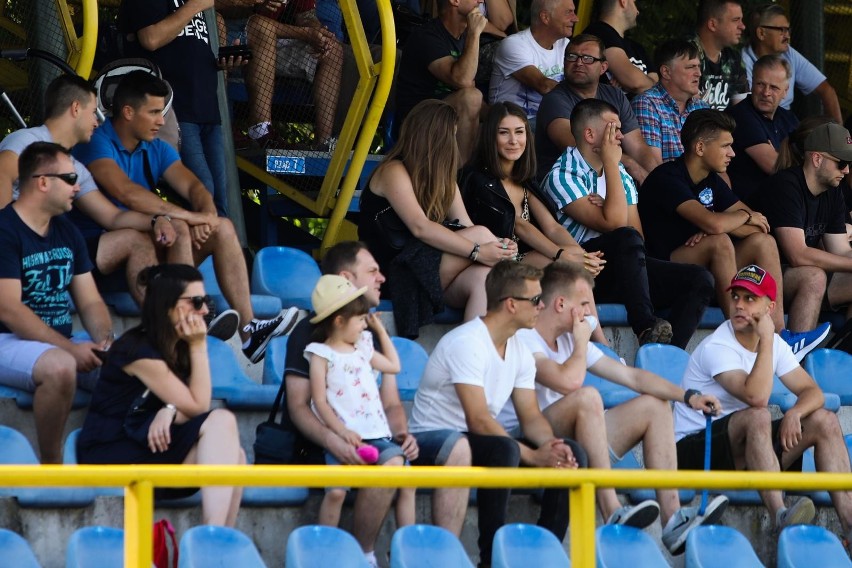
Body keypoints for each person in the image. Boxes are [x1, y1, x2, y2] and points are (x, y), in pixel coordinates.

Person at [73, 70, 298, 363]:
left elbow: (194, 186)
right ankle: (186, 317)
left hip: (149, 248)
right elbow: (126, 192)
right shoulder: (97, 141)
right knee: (178, 224)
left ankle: (249, 330)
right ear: (128, 112)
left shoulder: (157, 148)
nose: (162, 121)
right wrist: (189, 218)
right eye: (154, 112)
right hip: (100, 254)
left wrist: (206, 215)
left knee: (223, 227)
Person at [518, 262, 728, 556]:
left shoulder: (570, 338)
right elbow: (569, 382)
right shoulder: (525, 337)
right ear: (560, 303)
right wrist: (581, 342)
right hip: (532, 442)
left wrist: (688, 396)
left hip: (576, 439)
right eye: (583, 304)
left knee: (655, 406)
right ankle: (611, 509)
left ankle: (673, 520)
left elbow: (633, 377)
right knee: (588, 396)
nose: (590, 314)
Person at [284, 241, 471, 562]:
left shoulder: (369, 332)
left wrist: (403, 435)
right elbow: (300, 407)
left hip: (378, 436)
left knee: (457, 447)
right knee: (393, 464)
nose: (382, 278)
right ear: (346, 277)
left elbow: (392, 404)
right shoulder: (311, 333)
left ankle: (439, 556)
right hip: (328, 439)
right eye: (372, 271)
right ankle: (362, 554)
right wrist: (335, 439)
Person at [409, 261, 587, 566]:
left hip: (478, 441)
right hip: (434, 439)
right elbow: (477, 419)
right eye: (534, 300)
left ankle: (540, 556)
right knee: (504, 448)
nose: (541, 306)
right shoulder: (468, 342)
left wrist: (550, 447)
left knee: (572, 453)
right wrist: (532, 457)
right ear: (510, 305)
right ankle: (491, 559)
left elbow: (530, 416)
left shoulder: (518, 347)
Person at [674, 265, 852, 541]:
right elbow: (756, 398)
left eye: (750, 299)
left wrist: (795, 412)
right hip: (695, 449)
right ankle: (781, 514)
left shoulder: (774, 345)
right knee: (758, 415)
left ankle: (850, 522)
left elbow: (812, 391)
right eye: (735, 297)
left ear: (770, 307)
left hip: (744, 450)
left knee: (824, 420)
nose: (739, 306)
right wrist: (768, 338)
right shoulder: (717, 346)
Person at [639, 109, 831, 361]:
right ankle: (741, 335)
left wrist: (725, 223)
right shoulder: (667, 177)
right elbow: (717, 223)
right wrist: (727, 222)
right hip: (664, 270)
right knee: (718, 241)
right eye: (726, 146)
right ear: (699, 148)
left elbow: (760, 224)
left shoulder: (712, 181)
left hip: (703, 263)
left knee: (763, 241)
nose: (733, 153)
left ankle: (779, 335)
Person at [77, 264, 244, 526]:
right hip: (111, 453)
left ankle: (220, 543)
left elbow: (184, 405)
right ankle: (212, 537)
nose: (204, 311)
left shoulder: (176, 346)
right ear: (168, 305)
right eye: (196, 302)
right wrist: (199, 345)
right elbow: (199, 406)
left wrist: (169, 410)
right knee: (221, 420)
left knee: (236, 455)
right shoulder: (137, 351)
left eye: (207, 302)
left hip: (147, 442)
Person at [542, 99, 716, 349]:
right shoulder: (562, 174)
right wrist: (612, 165)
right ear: (590, 134)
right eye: (613, 128)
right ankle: (645, 325)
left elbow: (638, 236)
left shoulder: (620, 175)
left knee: (700, 279)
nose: (621, 136)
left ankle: (664, 358)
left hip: (627, 270)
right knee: (624, 237)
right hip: (588, 273)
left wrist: (610, 198)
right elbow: (617, 225)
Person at [0, 74, 170, 306]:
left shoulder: (75, 168)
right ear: (76, 108)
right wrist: (13, 241)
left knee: (137, 239)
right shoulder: (28, 139)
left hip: (54, 253)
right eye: (93, 112)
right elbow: (1, 177)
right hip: (18, 254)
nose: (97, 122)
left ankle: (163, 321)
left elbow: (113, 217)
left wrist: (156, 220)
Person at [358, 99, 517, 336]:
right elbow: (420, 227)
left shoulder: (444, 178)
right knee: (483, 237)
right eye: (452, 135)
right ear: (437, 137)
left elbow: (467, 226)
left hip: (430, 274)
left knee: (483, 277)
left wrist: (499, 247)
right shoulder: (393, 170)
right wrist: (478, 250)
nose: (455, 143)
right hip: (397, 274)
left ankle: (471, 361)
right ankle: (525, 301)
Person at [0, 142, 114, 464]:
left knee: (130, 363)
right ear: (42, 182)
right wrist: (69, 349)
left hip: (56, 341)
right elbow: (8, 309)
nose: (78, 186)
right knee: (61, 367)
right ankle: (53, 469)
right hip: (7, 338)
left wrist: (105, 342)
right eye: (70, 178)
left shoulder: (67, 230)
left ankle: (103, 457)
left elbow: (90, 301)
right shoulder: (4, 230)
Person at [460, 101, 609, 343]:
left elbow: (553, 227)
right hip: (494, 258)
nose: (513, 140)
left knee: (574, 260)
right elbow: (520, 225)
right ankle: (597, 342)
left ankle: (599, 343)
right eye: (503, 132)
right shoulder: (478, 178)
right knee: (567, 261)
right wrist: (562, 255)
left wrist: (580, 254)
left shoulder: (525, 182)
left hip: (521, 257)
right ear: (490, 137)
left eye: (519, 132)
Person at [305, 274, 415, 538]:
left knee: (408, 483)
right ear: (339, 321)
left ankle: (407, 545)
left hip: (376, 435)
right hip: (345, 436)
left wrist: (380, 332)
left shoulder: (364, 347)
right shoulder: (321, 354)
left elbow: (394, 366)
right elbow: (319, 401)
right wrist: (341, 433)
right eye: (360, 320)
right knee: (336, 492)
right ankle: (326, 547)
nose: (364, 326)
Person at [119, 0, 244, 216]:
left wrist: (223, 62)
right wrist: (195, 5)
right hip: (174, 110)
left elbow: (190, 49)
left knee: (221, 199)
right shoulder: (195, 3)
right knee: (202, 191)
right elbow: (151, 38)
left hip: (208, 109)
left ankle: (215, 248)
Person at [755, 122, 852, 323]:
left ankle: (844, 352)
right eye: (842, 163)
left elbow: (840, 250)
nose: (847, 171)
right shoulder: (786, 185)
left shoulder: (834, 191)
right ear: (817, 158)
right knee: (813, 277)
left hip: (791, 275)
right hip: (758, 275)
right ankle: (792, 353)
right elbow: (797, 254)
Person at [535, 34, 661, 184]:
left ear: (603, 67)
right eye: (572, 56)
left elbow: (638, 148)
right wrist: (630, 164)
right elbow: (581, 149)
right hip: (565, 182)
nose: (578, 63)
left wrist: (658, 181)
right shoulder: (555, 99)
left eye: (588, 58)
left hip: (608, 179)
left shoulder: (615, 95)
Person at [241, 0, 343, 150]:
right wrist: (254, 5)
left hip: (271, 42)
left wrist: (319, 34)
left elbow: (306, 15)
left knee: (334, 52)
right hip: (234, 39)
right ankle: (260, 133)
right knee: (263, 27)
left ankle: (324, 143)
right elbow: (253, 22)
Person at [394, 0, 487, 163]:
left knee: (507, 126)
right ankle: (459, 179)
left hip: (448, 119)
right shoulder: (427, 36)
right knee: (471, 97)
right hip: (418, 122)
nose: (481, 1)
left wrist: (501, 115)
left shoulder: (465, 37)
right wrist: (474, 34)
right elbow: (463, 81)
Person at [741, 3, 842, 123]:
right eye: (781, 30)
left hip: (785, 123)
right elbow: (749, 111)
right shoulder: (742, 62)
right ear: (761, 33)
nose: (787, 35)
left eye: (788, 30)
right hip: (756, 124)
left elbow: (827, 91)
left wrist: (840, 135)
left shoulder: (789, 53)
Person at [488, 0, 578, 125]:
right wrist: (583, 96)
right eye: (569, 12)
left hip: (549, 118)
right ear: (545, 17)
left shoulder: (565, 45)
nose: (576, 19)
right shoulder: (515, 44)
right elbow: (543, 85)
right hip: (512, 122)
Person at [726, 54, 798, 204]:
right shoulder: (740, 115)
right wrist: (790, 158)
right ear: (751, 84)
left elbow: (812, 159)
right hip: (750, 207)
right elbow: (773, 165)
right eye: (760, 84)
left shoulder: (789, 119)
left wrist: (781, 157)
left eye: (774, 87)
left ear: (785, 91)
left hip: (784, 201)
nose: (766, 92)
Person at [631, 39, 710, 163]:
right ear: (666, 72)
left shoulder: (702, 108)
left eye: (698, 67)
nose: (699, 73)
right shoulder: (647, 104)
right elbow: (654, 167)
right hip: (666, 182)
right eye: (690, 67)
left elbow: (717, 161)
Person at [582, 0, 657, 96]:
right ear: (623, 2)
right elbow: (635, 82)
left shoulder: (637, 47)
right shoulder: (598, 33)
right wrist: (644, 82)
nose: (637, 11)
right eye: (634, 3)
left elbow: (657, 89)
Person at [693, 0, 748, 111]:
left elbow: (743, 109)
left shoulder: (734, 59)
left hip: (726, 127)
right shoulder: (685, 55)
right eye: (735, 20)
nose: (743, 26)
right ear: (713, 24)